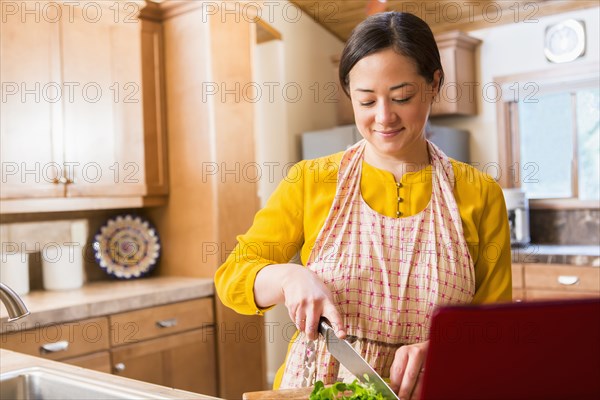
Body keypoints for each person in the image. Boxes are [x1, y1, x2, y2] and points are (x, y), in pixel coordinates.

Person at [215, 11, 511, 400]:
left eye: (402, 97)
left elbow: (496, 326)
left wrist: (447, 350)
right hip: (317, 388)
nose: (384, 117)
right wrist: (288, 279)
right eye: (367, 100)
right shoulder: (311, 180)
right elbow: (233, 277)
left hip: (434, 388)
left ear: (434, 83)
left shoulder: (479, 193)